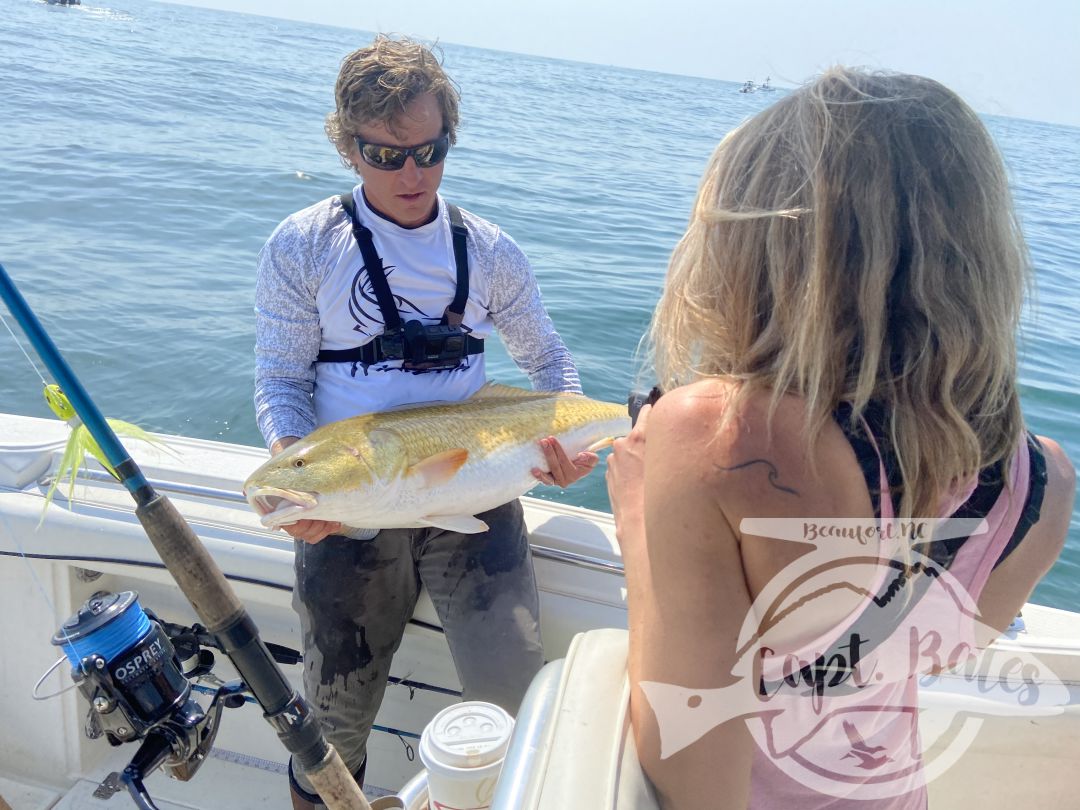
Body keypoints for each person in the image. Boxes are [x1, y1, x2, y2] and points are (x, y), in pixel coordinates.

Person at [606, 67, 1075, 809]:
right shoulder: (1042, 482)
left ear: (759, 248)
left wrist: (641, 529)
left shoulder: (714, 434)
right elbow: (942, 648)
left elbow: (694, 783)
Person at [254, 36, 597, 808]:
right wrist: (296, 473)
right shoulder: (305, 245)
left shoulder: (490, 251)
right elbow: (280, 377)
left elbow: (551, 365)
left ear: (449, 137)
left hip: (472, 497)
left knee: (514, 699)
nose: (411, 173)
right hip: (350, 512)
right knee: (333, 725)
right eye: (384, 153)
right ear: (348, 147)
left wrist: (566, 448)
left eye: (429, 149)